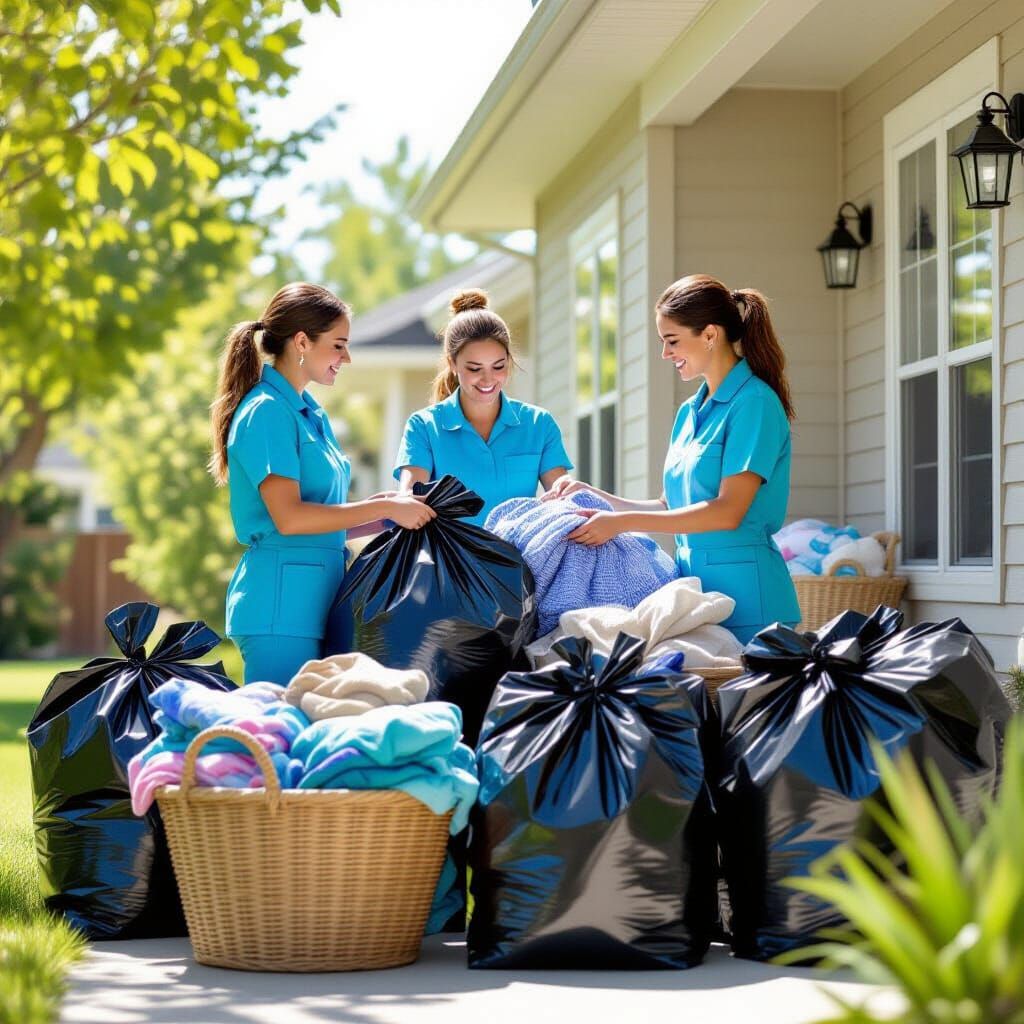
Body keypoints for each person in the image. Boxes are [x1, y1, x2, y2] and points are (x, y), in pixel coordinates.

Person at [545, 274, 800, 643]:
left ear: (710, 335)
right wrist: (598, 501)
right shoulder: (689, 412)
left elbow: (728, 511)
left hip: (752, 604)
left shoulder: (754, 404)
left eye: (672, 341)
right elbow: (670, 505)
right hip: (693, 599)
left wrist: (621, 523)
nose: (666, 353)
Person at [209, 282, 435, 685]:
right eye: (338, 345)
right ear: (301, 342)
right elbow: (290, 519)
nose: (346, 357)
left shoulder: (309, 414)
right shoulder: (266, 413)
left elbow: (325, 524)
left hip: (318, 601)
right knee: (277, 737)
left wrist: (386, 516)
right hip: (280, 610)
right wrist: (382, 508)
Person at [393, 289, 572, 527]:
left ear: (509, 360)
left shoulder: (539, 424)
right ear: (452, 363)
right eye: (475, 369)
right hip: (449, 561)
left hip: (520, 561)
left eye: (498, 366)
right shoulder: (424, 427)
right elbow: (409, 502)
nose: (488, 380)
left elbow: (564, 501)